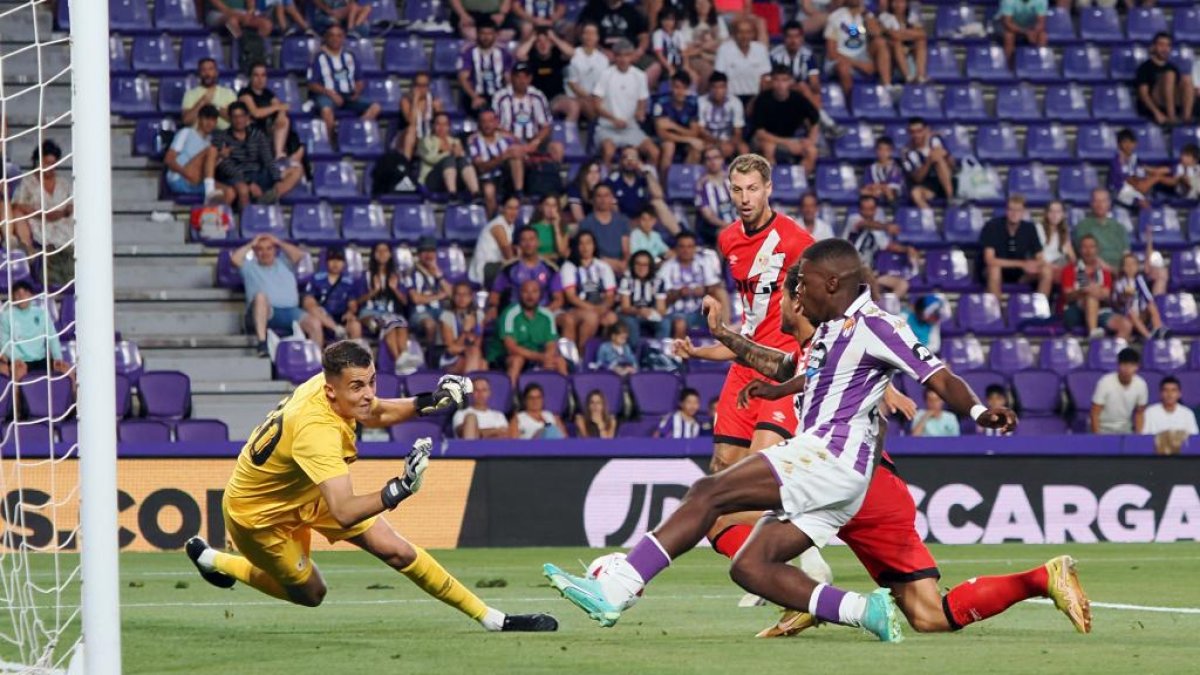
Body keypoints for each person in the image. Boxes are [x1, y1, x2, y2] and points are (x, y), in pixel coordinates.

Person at [543, 240, 1055, 641]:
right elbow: (804, 369)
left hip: (831, 456)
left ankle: (618, 587)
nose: (797, 293)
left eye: (803, 283)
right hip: (838, 475)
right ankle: (865, 611)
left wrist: (981, 410)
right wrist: (771, 381)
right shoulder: (832, 328)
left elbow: (937, 376)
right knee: (751, 566)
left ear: (831, 282)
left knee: (709, 493)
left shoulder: (880, 325)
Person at [700, 259, 1087, 641]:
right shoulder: (820, 348)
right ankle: (1041, 578)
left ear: (800, 302)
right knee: (930, 615)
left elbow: (936, 374)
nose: (781, 306)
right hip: (868, 484)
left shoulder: (861, 331)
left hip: (850, 481)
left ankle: (807, 595)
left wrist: (978, 411)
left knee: (721, 518)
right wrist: (723, 334)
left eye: (787, 297)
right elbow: (777, 365)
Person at [185, 345, 555, 631]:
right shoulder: (317, 431)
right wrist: (399, 488)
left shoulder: (329, 387)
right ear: (331, 391)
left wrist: (430, 402)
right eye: (358, 386)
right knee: (312, 593)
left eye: (371, 381)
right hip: (260, 517)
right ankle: (214, 560)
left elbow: (373, 410)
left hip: (308, 490)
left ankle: (492, 618)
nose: (367, 393)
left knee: (395, 550)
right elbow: (345, 510)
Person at [674, 154, 814, 477]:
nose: (744, 198)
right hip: (745, 367)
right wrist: (699, 351)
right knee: (722, 469)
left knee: (756, 474)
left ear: (768, 188)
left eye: (752, 189)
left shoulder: (796, 241)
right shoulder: (728, 240)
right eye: (737, 190)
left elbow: (838, 298)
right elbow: (753, 324)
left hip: (784, 367)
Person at [233, 235, 324, 357]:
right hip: (265, 312)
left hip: (290, 312)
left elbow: (299, 255)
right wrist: (252, 243)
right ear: (255, 251)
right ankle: (262, 343)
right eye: (260, 249)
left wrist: (278, 241)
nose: (265, 252)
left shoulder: (284, 263)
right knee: (260, 296)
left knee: (315, 323)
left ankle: (316, 360)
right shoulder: (250, 266)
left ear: (275, 250)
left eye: (269, 248)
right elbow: (234, 259)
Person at [8, 140, 76, 287]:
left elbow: (72, 204)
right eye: (46, 163)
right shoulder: (27, 182)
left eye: (53, 163)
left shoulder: (64, 184)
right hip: (40, 232)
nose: (50, 168)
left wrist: (66, 211)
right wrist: (43, 214)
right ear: (38, 161)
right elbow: (16, 206)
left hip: (66, 233)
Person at [215, 102, 303, 210]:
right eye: (235, 116)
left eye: (241, 116)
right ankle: (248, 218)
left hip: (259, 174)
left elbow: (268, 159)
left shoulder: (257, 135)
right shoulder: (221, 137)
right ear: (230, 118)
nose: (239, 120)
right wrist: (249, 182)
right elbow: (225, 166)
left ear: (247, 117)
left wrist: (276, 180)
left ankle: (266, 199)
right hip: (237, 176)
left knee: (296, 170)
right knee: (243, 190)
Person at [591, 39, 659, 168]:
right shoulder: (606, 75)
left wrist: (640, 113)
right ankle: (607, 184)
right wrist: (613, 119)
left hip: (630, 128)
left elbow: (642, 101)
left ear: (632, 57)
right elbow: (596, 104)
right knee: (608, 151)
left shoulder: (639, 76)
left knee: (654, 152)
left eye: (626, 55)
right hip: (607, 128)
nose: (623, 59)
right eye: (619, 56)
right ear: (615, 57)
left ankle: (650, 184)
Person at [307, 25, 381, 140]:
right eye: (331, 35)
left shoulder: (350, 56)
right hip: (327, 95)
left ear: (343, 38)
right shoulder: (318, 58)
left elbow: (359, 80)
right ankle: (331, 143)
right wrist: (331, 94)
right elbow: (311, 84)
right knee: (326, 111)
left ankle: (352, 134)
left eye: (339, 36)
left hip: (349, 95)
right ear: (326, 38)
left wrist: (357, 91)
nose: (335, 39)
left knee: (375, 107)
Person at [494, 279, 570, 383]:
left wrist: (547, 357)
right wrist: (539, 357)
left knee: (559, 361)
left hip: (538, 355)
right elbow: (511, 347)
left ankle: (567, 395)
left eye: (534, 292)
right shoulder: (510, 313)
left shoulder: (547, 315)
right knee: (517, 360)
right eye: (526, 292)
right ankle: (510, 395)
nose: (530, 296)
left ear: (540, 295)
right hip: (509, 356)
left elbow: (551, 344)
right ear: (519, 294)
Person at [978, 193, 1053, 299]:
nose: (1014, 213)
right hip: (995, 271)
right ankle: (997, 312)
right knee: (994, 269)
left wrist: (1035, 265)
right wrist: (1022, 264)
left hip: (1019, 273)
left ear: (1023, 212)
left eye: (1018, 210)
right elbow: (989, 260)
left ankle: (1039, 311)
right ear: (1006, 211)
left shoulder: (1029, 228)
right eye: (1011, 209)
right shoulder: (992, 226)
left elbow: (1040, 257)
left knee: (1046, 271)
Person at [750, 65, 819, 173]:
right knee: (769, 147)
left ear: (790, 82)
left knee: (812, 151)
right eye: (777, 80)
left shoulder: (798, 98)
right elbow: (760, 133)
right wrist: (788, 142)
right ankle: (772, 183)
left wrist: (810, 140)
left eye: (784, 80)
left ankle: (799, 182)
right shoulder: (763, 99)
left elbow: (815, 120)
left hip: (789, 138)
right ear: (772, 81)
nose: (780, 84)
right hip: (766, 139)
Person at [559, 231, 619, 351]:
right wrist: (593, 309)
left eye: (588, 243)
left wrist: (603, 308)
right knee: (591, 317)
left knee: (612, 318)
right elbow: (571, 297)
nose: (585, 247)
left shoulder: (603, 266)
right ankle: (581, 353)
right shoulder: (569, 267)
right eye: (581, 244)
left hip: (599, 307)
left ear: (594, 245)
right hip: (575, 309)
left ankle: (605, 355)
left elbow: (610, 296)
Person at [847, 194, 916, 299]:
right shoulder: (853, 220)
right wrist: (886, 227)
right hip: (851, 272)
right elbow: (864, 224)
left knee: (902, 285)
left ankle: (886, 306)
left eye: (871, 209)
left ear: (875, 210)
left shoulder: (878, 232)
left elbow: (888, 246)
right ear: (860, 210)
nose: (868, 213)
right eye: (865, 209)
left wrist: (907, 249)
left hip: (872, 274)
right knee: (869, 283)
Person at [0, 280, 69, 383]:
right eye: (17, 294)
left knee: (67, 370)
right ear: (13, 297)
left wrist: (57, 358)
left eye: (24, 293)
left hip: (41, 359)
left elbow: (52, 337)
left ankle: (74, 398)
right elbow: (3, 342)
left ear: (31, 295)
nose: (21, 297)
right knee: (18, 373)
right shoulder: (6, 316)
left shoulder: (41, 314)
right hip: (19, 360)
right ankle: (17, 398)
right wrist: (15, 359)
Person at [1061, 235, 1130, 339]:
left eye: (1091, 247)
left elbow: (1106, 295)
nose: (1088, 251)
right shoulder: (1070, 269)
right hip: (1074, 311)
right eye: (1085, 247)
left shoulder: (1103, 271)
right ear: (1080, 250)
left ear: (1097, 249)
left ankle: (1113, 354)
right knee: (1090, 297)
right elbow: (1068, 296)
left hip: (1100, 310)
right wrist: (1083, 292)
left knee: (1126, 325)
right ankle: (1093, 335)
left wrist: (1091, 290)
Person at [657, 232, 723, 338]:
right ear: (676, 248)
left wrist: (704, 290)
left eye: (689, 246)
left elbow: (716, 286)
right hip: (677, 313)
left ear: (694, 248)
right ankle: (678, 354)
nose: (686, 250)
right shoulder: (667, 268)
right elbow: (661, 299)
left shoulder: (703, 263)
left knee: (720, 295)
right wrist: (679, 293)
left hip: (701, 311)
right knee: (680, 323)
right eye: (682, 246)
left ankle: (726, 338)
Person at [493, 62, 561, 163]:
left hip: (534, 141)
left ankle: (552, 178)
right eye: (518, 77)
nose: (522, 81)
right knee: (516, 152)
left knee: (557, 148)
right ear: (512, 78)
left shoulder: (538, 96)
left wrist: (535, 142)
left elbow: (547, 126)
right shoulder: (500, 97)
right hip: (510, 141)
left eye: (525, 77)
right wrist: (516, 141)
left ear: (530, 79)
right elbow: (496, 126)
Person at [358, 242, 412, 368]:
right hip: (370, 313)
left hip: (391, 314)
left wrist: (394, 289)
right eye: (379, 251)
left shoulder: (397, 276)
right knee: (391, 324)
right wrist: (374, 292)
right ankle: (400, 361)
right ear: (374, 254)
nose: (382, 254)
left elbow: (405, 301)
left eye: (385, 251)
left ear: (390, 254)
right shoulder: (365, 275)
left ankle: (402, 358)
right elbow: (358, 301)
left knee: (401, 324)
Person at [825, 0, 892, 99]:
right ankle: (851, 102)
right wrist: (860, 65)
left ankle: (887, 88)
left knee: (880, 42)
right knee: (843, 67)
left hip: (861, 54)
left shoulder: (866, 15)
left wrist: (866, 15)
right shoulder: (835, 17)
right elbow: (832, 53)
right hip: (841, 57)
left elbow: (876, 33)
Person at [302, 248, 364, 347]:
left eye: (339, 260)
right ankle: (320, 357)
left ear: (344, 263)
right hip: (322, 318)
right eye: (332, 259)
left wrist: (350, 313)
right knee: (314, 312)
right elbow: (308, 304)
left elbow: (352, 304)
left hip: (341, 317)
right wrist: (332, 325)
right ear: (326, 262)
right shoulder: (316, 279)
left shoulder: (349, 282)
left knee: (355, 325)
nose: (335, 263)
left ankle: (354, 359)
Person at [516, 27, 579, 122]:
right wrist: (532, 38)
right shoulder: (531, 56)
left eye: (546, 41)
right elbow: (519, 55)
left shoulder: (557, 55)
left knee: (573, 106)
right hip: (534, 99)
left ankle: (566, 134)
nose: (543, 44)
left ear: (552, 43)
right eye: (539, 42)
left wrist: (554, 38)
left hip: (555, 98)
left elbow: (572, 53)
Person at [468, 109, 522, 218]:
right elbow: (481, 167)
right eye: (484, 122)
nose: (487, 125)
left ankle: (519, 192)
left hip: (506, 177)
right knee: (489, 190)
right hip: (486, 178)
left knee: (515, 157)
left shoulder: (506, 139)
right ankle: (492, 220)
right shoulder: (474, 141)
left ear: (496, 122)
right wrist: (502, 157)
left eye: (490, 121)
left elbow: (522, 153)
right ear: (479, 124)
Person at [165, 106, 226, 202]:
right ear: (199, 119)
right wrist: (186, 174)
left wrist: (221, 156)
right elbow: (169, 159)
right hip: (180, 178)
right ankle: (209, 191)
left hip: (198, 181)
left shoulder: (210, 142)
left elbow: (208, 170)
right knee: (212, 150)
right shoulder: (186, 132)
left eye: (213, 120)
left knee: (229, 192)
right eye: (207, 119)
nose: (209, 123)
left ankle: (210, 213)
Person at [1135, 32, 1195, 126]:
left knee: (1187, 78)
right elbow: (1143, 94)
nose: (1165, 49)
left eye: (1168, 45)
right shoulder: (1145, 67)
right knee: (1169, 75)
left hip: (1173, 102)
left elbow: (1180, 89)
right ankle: (1172, 118)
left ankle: (1186, 119)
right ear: (1154, 47)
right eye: (1161, 45)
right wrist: (1156, 113)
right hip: (1155, 103)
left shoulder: (1173, 67)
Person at [238, 63, 295, 161]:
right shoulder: (245, 94)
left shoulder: (268, 93)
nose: (260, 79)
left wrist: (281, 114)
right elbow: (256, 113)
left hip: (267, 129)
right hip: (250, 131)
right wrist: (276, 108)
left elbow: (282, 107)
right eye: (256, 75)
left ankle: (279, 154)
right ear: (251, 77)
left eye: (263, 75)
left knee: (286, 122)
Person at [652, 71, 705, 177]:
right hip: (663, 140)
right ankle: (665, 185)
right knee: (669, 146)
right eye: (677, 87)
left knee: (697, 147)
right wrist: (688, 137)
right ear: (671, 87)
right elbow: (662, 134)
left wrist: (672, 125)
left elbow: (694, 133)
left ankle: (684, 180)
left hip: (682, 139)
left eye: (684, 88)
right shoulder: (661, 102)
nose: (680, 91)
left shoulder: (693, 103)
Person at [458, 19, 514, 117]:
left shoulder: (504, 54)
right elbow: (463, 78)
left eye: (489, 34)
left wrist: (507, 97)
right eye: (482, 33)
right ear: (477, 34)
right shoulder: (469, 53)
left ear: (495, 35)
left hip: (498, 95)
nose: (486, 37)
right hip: (476, 95)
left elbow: (508, 78)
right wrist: (474, 97)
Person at [405, 238, 453, 349]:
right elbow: (416, 299)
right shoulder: (410, 272)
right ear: (419, 254)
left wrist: (439, 276)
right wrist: (440, 295)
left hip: (439, 311)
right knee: (430, 324)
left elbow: (451, 295)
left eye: (431, 251)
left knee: (452, 320)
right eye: (425, 251)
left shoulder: (440, 272)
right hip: (419, 314)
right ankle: (431, 357)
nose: (429, 255)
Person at [420, 112, 481, 198]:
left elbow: (462, 157)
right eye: (438, 124)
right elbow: (430, 158)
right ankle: (452, 194)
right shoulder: (426, 141)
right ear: (433, 126)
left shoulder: (455, 141)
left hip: (456, 177)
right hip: (433, 179)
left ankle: (476, 193)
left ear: (449, 127)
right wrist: (448, 153)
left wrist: (458, 153)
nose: (441, 128)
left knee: (462, 160)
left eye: (445, 124)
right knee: (449, 159)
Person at [714, 16, 771, 108]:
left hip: (755, 97)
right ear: (734, 34)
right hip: (730, 98)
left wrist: (757, 100)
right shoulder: (724, 49)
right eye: (740, 32)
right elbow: (720, 77)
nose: (744, 36)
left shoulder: (761, 49)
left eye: (748, 32)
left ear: (753, 34)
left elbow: (765, 78)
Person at [1109, 127, 1171, 211]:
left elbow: (1145, 172)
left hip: (1134, 190)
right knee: (1144, 203)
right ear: (1119, 144)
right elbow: (1127, 181)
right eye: (1125, 142)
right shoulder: (1116, 161)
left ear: (1135, 144)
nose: (1128, 145)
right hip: (1119, 192)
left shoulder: (1135, 159)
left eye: (1131, 142)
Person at [1091, 347, 1148, 435]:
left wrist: (1138, 437)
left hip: (1126, 430)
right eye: (1124, 364)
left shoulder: (1141, 384)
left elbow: (1139, 413)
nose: (1127, 369)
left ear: (1137, 367)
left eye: (1131, 365)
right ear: (1118, 365)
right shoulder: (1105, 382)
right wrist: (1098, 439)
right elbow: (1095, 413)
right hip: (1103, 429)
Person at [579, 183, 632, 274]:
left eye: (606, 195)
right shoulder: (586, 223)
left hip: (620, 266)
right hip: (596, 266)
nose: (603, 200)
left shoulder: (622, 221)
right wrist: (609, 263)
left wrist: (624, 264)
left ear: (612, 198)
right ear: (593, 199)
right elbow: (587, 251)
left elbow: (626, 250)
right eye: (599, 196)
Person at [901, 117, 955, 207]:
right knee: (915, 193)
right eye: (912, 132)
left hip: (947, 179)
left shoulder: (936, 140)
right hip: (928, 184)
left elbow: (952, 166)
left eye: (919, 131)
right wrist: (929, 161)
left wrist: (946, 155)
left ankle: (950, 198)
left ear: (926, 130)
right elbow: (917, 178)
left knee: (938, 158)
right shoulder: (906, 152)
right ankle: (929, 218)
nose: (916, 135)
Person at [1112, 253, 1166, 341]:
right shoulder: (1119, 282)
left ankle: (1159, 329)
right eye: (1127, 265)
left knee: (1151, 305)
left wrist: (1150, 307)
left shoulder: (1140, 280)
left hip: (1141, 314)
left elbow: (1148, 298)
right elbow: (1116, 302)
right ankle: (1148, 337)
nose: (1130, 267)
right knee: (1131, 313)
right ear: (1123, 268)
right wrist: (1125, 296)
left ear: (1137, 267)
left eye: (1133, 264)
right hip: (1125, 315)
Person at [470, 195, 520, 287]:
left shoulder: (511, 226)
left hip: (497, 265)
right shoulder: (498, 226)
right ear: (502, 209)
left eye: (516, 208)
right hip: (486, 268)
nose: (513, 212)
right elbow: (509, 257)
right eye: (510, 208)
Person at [617, 250, 668, 342]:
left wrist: (651, 312)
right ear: (633, 265)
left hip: (651, 314)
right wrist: (639, 311)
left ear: (650, 266)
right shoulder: (626, 279)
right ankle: (634, 353)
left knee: (665, 323)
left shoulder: (658, 281)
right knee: (631, 323)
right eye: (638, 264)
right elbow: (624, 308)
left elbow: (662, 309)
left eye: (645, 265)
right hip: (631, 314)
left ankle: (659, 352)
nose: (641, 268)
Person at [696, 72, 747, 161]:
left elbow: (738, 132)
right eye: (714, 87)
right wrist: (718, 143)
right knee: (695, 148)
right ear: (709, 88)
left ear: (726, 88)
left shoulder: (735, 102)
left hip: (729, 140)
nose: (717, 91)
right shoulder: (701, 102)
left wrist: (730, 144)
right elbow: (700, 130)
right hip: (708, 140)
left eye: (721, 87)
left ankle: (743, 175)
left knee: (744, 149)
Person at [441, 281, 489, 374]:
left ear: (471, 297)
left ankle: (469, 386)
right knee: (478, 360)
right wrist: (465, 331)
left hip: (471, 355)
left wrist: (472, 338)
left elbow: (477, 344)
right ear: (453, 297)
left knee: (483, 363)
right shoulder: (446, 316)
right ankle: (470, 386)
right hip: (451, 360)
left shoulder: (479, 315)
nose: (462, 298)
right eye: (458, 294)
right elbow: (451, 349)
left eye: (465, 294)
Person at [567, 23, 610, 122]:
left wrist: (597, 98)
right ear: (581, 36)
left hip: (597, 97)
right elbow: (572, 84)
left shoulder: (603, 59)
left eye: (593, 34)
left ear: (597, 37)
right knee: (589, 105)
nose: (589, 37)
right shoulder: (574, 55)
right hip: (577, 97)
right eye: (586, 33)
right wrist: (590, 97)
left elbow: (604, 83)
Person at [1142, 376, 1199, 449]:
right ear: (1161, 393)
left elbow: (1193, 439)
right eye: (1166, 390)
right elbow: (1144, 438)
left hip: (1182, 455)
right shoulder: (1150, 412)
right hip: (1156, 454)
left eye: (1173, 390)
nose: (1169, 394)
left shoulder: (1187, 413)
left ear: (1179, 394)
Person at [694, 149, 736, 244]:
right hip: (714, 226)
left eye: (716, 158)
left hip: (740, 221)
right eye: (708, 159)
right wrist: (728, 225)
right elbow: (708, 216)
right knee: (723, 234)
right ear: (704, 163)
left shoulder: (734, 178)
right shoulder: (701, 185)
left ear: (722, 160)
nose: (712, 162)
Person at [605, 146, 660, 219]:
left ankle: (677, 231)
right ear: (620, 161)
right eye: (626, 157)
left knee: (658, 203)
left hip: (643, 220)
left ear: (639, 161)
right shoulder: (612, 180)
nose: (630, 161)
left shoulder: (644, 178)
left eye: (633, 158)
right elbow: (613, 208)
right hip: (622, 221)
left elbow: (658, 195)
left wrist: (645, 171)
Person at [182, 58, 237, 130]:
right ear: (199, 73)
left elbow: (236, 119)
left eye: (211, 69)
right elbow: (186, 121)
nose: (207, 73)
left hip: (224, 136)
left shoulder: (229, 93)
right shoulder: (190, 94)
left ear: (216, 72)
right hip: (197, 136)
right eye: (203, 70)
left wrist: (215, 106)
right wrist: (201, 102)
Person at [880, 0, 927, 83]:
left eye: (901, 2)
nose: (898, 5)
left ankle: (920, 76)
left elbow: (922, 33)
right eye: (895, 2)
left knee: (921, 42)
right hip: (891, 51)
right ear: (891, 4)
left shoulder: (911, 17)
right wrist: (910, 33)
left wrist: (902, 33)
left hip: (908, 47)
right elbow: (894, 35)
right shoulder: (885, 17)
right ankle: (908, 77)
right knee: (896, 43)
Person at [399, 72, 442, 163]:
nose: (422, 89)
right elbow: (411, 121)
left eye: (425, 85)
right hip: (408, 137)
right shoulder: (406, 100)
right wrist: (415, 101)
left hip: (429, 135)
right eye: (419, 85)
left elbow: (441, 122)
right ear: (413, 86)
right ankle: (405, 166)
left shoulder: (434, 101)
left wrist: (438, 110)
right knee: (411, 130)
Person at [998, 0, 1047, 64]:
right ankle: (1008, 65)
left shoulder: (1041, 1)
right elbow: (1007, 22)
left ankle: (1040, 64)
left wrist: (1034, 32)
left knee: (1043, 36)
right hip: (1010, 26)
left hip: (1030, 27)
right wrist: (1025, 32)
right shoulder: (1008, 1)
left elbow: (1041, 22)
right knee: (1009, 36)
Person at [861, 136, 905, 205]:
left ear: (891, 151)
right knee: (863, 192)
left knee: (888, 191)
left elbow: (893, 186)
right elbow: (868, 185)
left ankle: (894, 210)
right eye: (880, 149)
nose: (883, 153)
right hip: (874, 192)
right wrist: (875, 188)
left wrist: (879, 188)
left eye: (886, 150)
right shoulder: (870, 168)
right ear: (876, 150)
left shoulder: (896, 167)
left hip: (891, 194)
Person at [1037, 200, 1075, 278]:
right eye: (1051, 211)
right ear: (1046, 213)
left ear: (1063, 214)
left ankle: (1086, 288)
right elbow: (1038, 256)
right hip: (1043, 266)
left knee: (1079, 271)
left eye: (1058, 212)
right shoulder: (1038, 228)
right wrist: (1054, 268)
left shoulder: (1064, 232)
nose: (1055, 215)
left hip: (1060, 265)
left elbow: (1072, 257)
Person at [529, 194, 570, 261]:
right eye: (547, 205)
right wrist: (550, 256)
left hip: (558, 265)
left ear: (558, 208)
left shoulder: (563, 227)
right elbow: (530, 253)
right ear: (541, 207)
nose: (550, 209)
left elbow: (562, 252)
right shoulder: (533, 228)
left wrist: (556, 227)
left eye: (554, 205)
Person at [206, 0, 273, 38]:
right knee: (232, 22)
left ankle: (257, 51)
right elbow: (224, 9)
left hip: (242, 13)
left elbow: (251, 6)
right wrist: (241, 17)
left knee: (266, 24)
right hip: (217, 13)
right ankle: (241, 47)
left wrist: (250, 13)